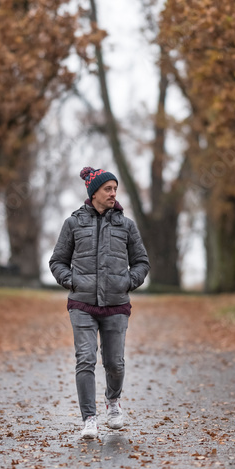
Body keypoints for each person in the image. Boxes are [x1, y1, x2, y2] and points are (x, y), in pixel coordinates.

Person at [49, 166, 150, 439]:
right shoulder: (73, 224)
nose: (113, 193)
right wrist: (71, 281)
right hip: (81, 303)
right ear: (94, 193)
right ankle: (89, 419)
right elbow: (57, 261)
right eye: (108, 189)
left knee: (115, 362)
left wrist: (128, 282)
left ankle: (113, 403)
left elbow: (141, 261)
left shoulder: (126, 225)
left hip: (116, 304)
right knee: (85, 359)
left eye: (115, 189)